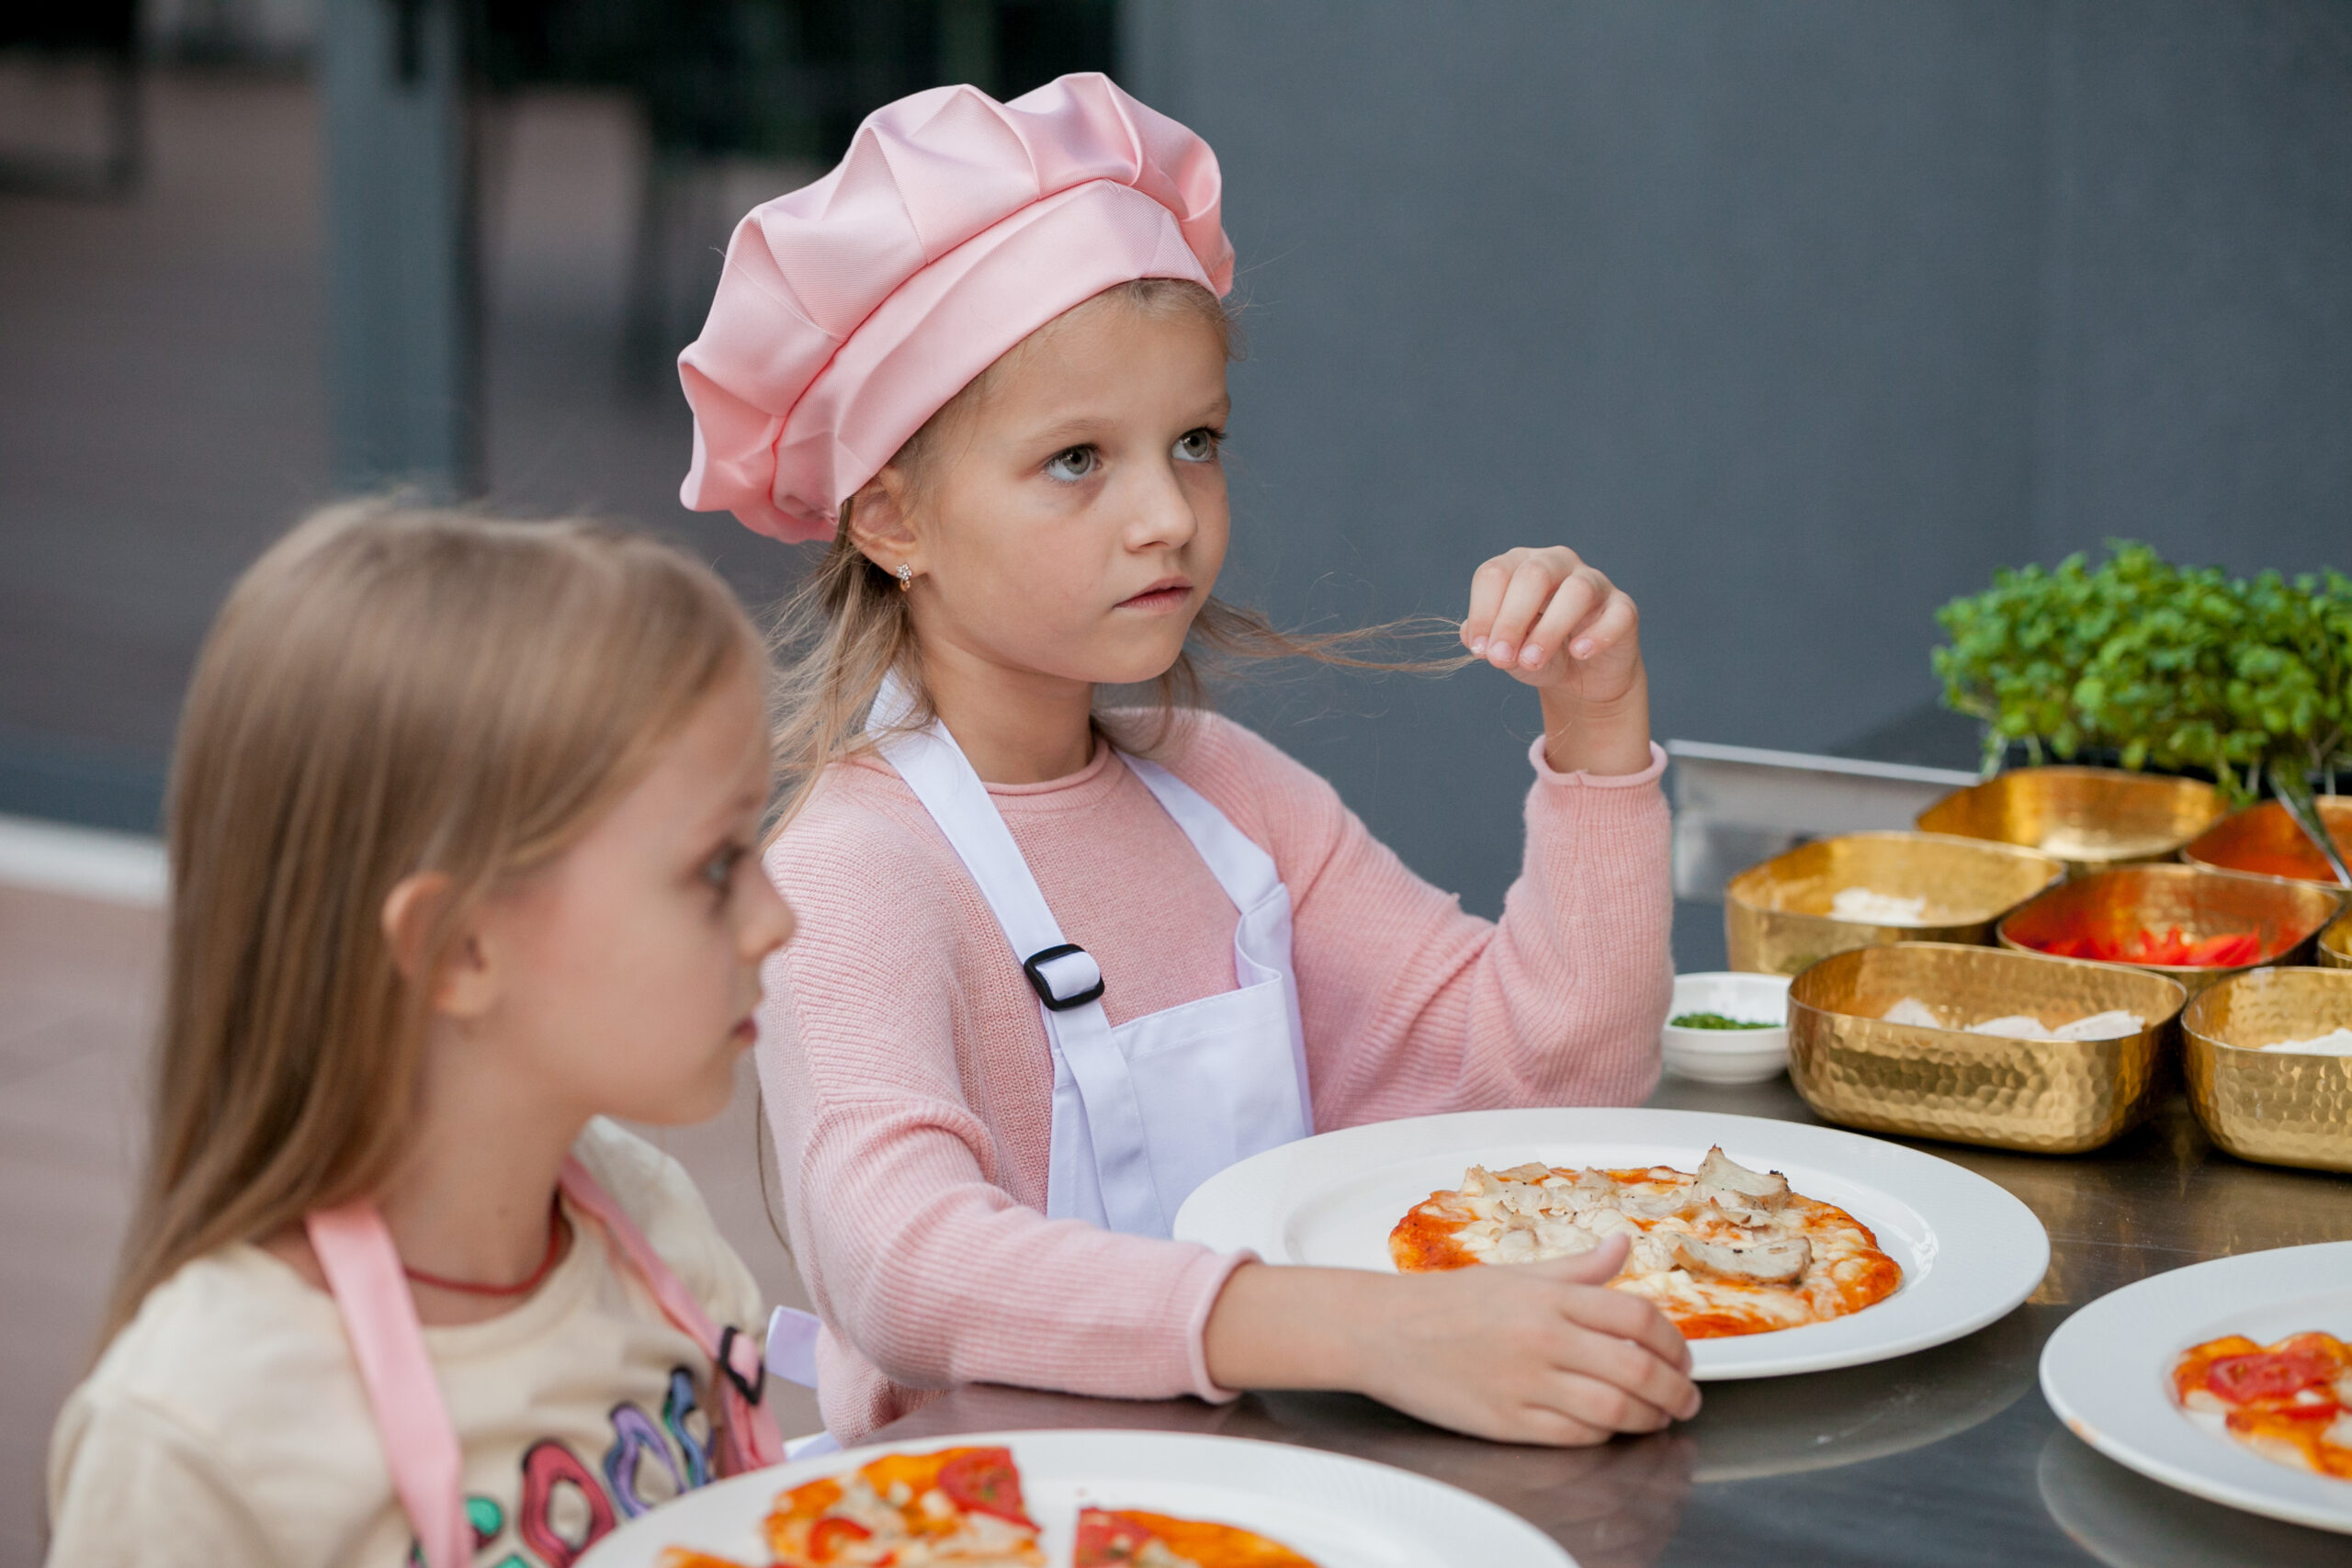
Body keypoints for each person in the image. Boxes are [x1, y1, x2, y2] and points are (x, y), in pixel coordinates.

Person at [680, 73, 1695, 1449]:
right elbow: (905, 1266)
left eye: (1195, 442)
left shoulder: (1227, 791)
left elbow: (1545, 1081)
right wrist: (1356, 1329)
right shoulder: (854, 869)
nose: (1167, 513)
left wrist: (1596, 732)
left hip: (1285, 1483)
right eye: (1076, 459)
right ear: (893, 520)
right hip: (1011, 1517)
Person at [44, 504, 796, 1568]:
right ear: (459, 950)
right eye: (717, 866)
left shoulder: (652, 1221)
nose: (777, 919)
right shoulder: (195, 1440)